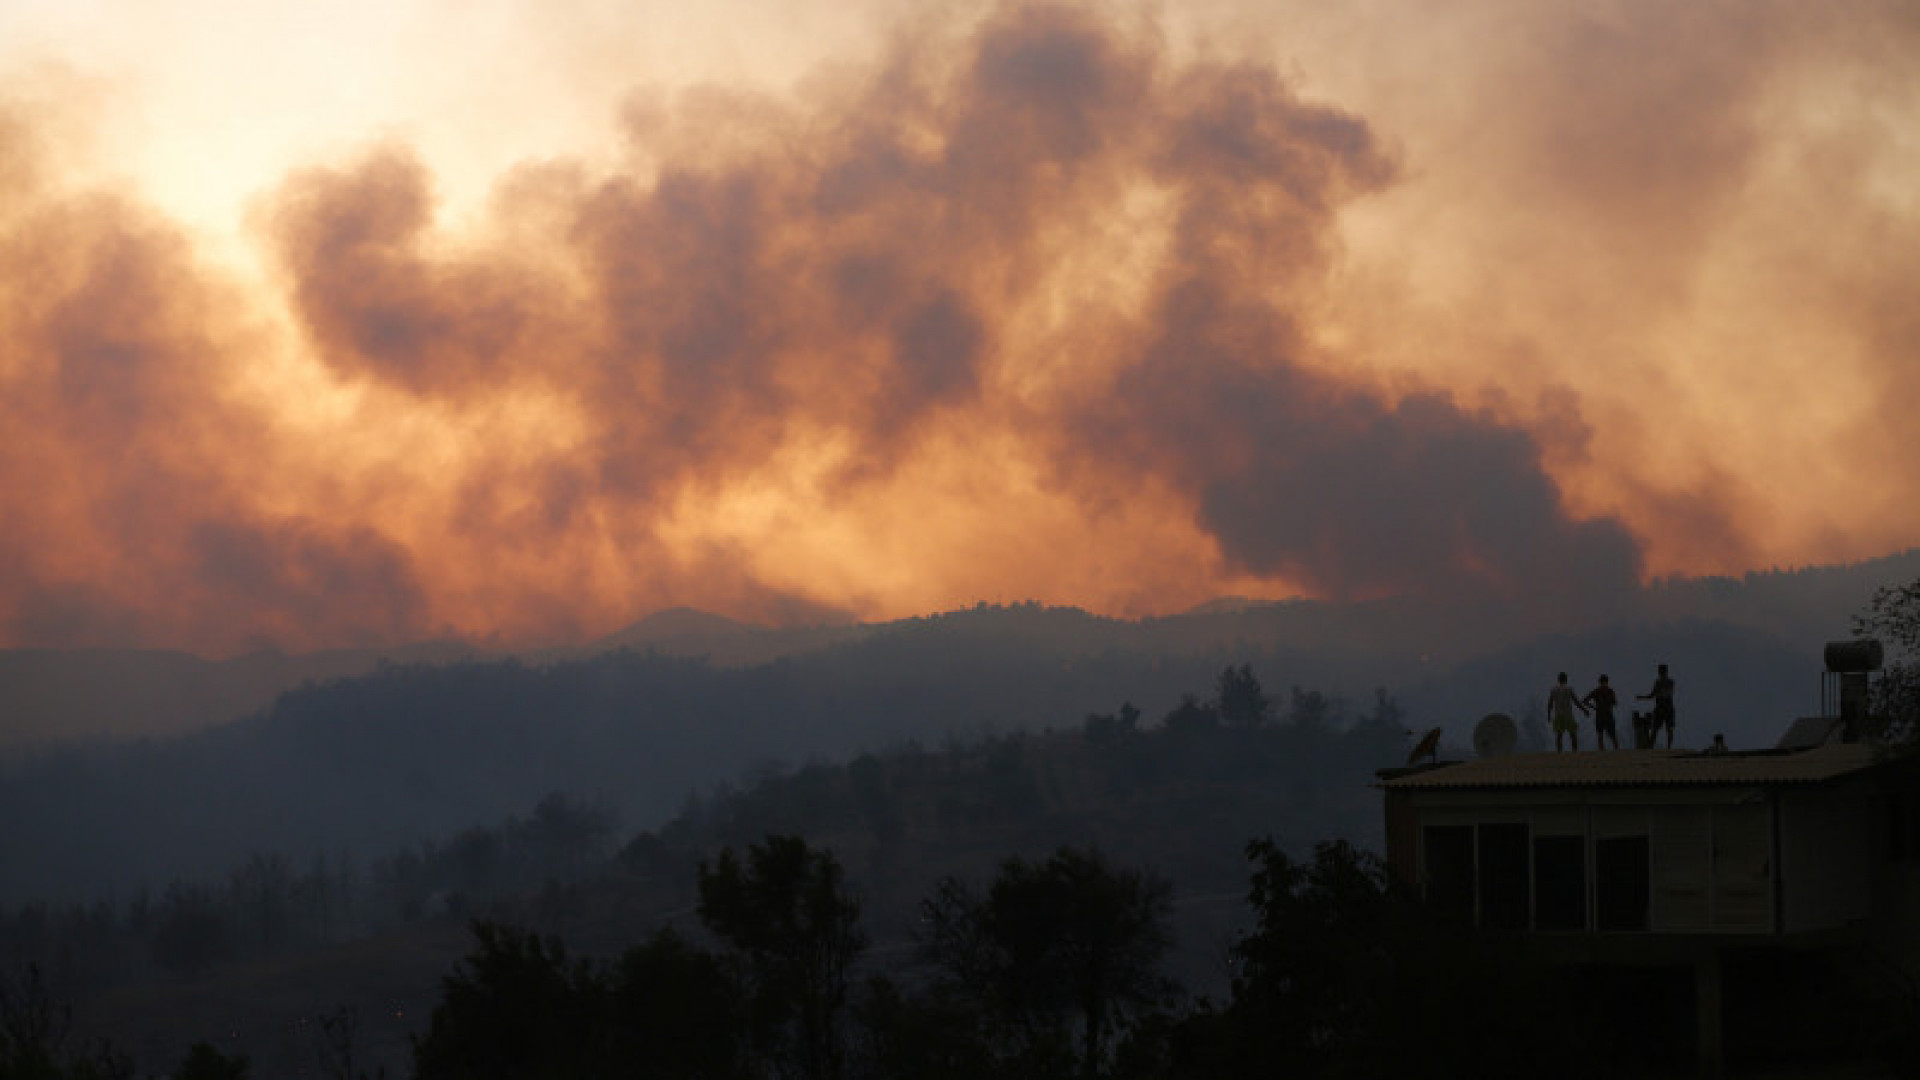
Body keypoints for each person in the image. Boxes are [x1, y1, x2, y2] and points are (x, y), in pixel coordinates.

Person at [1637, 663, 1676, 748]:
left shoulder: (1667, 682)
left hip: (1664, 707)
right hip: (1663, 707)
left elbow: (1656, 694)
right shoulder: (1662, 682)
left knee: (1664, 728)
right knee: (1658, 728)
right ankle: (1654, 746)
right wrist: (1642, 697)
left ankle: (1666, 747)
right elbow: (1653, 695)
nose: (1661, 674)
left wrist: (1643, 697)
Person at [1548, 671, 1589, 752]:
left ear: (1558, 680)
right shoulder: (1569, 689)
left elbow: (1550, 703)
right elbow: (1576, 702)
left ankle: (1559, 752)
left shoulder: (1553, 690)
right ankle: (1574, 751)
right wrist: (1584, 710)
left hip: (1558, 715)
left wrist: (1549, 714)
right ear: (1566, 680)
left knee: (1559, 735)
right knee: (1573, 734)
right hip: (1568, 714)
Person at [1583, 674, 1620, 750]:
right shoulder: (1608, 691)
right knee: (1606, 735)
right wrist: (1594, 707)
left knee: (1606, 735)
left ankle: (1609, 751)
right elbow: (1615, 703)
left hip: (1603, 715)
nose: (1603, 684)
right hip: (1605, 715)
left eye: (1604, 682)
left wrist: (1594, 707)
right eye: (1603, 682)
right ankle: (1610, 751)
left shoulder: (1600, 691)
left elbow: (1585, 701)